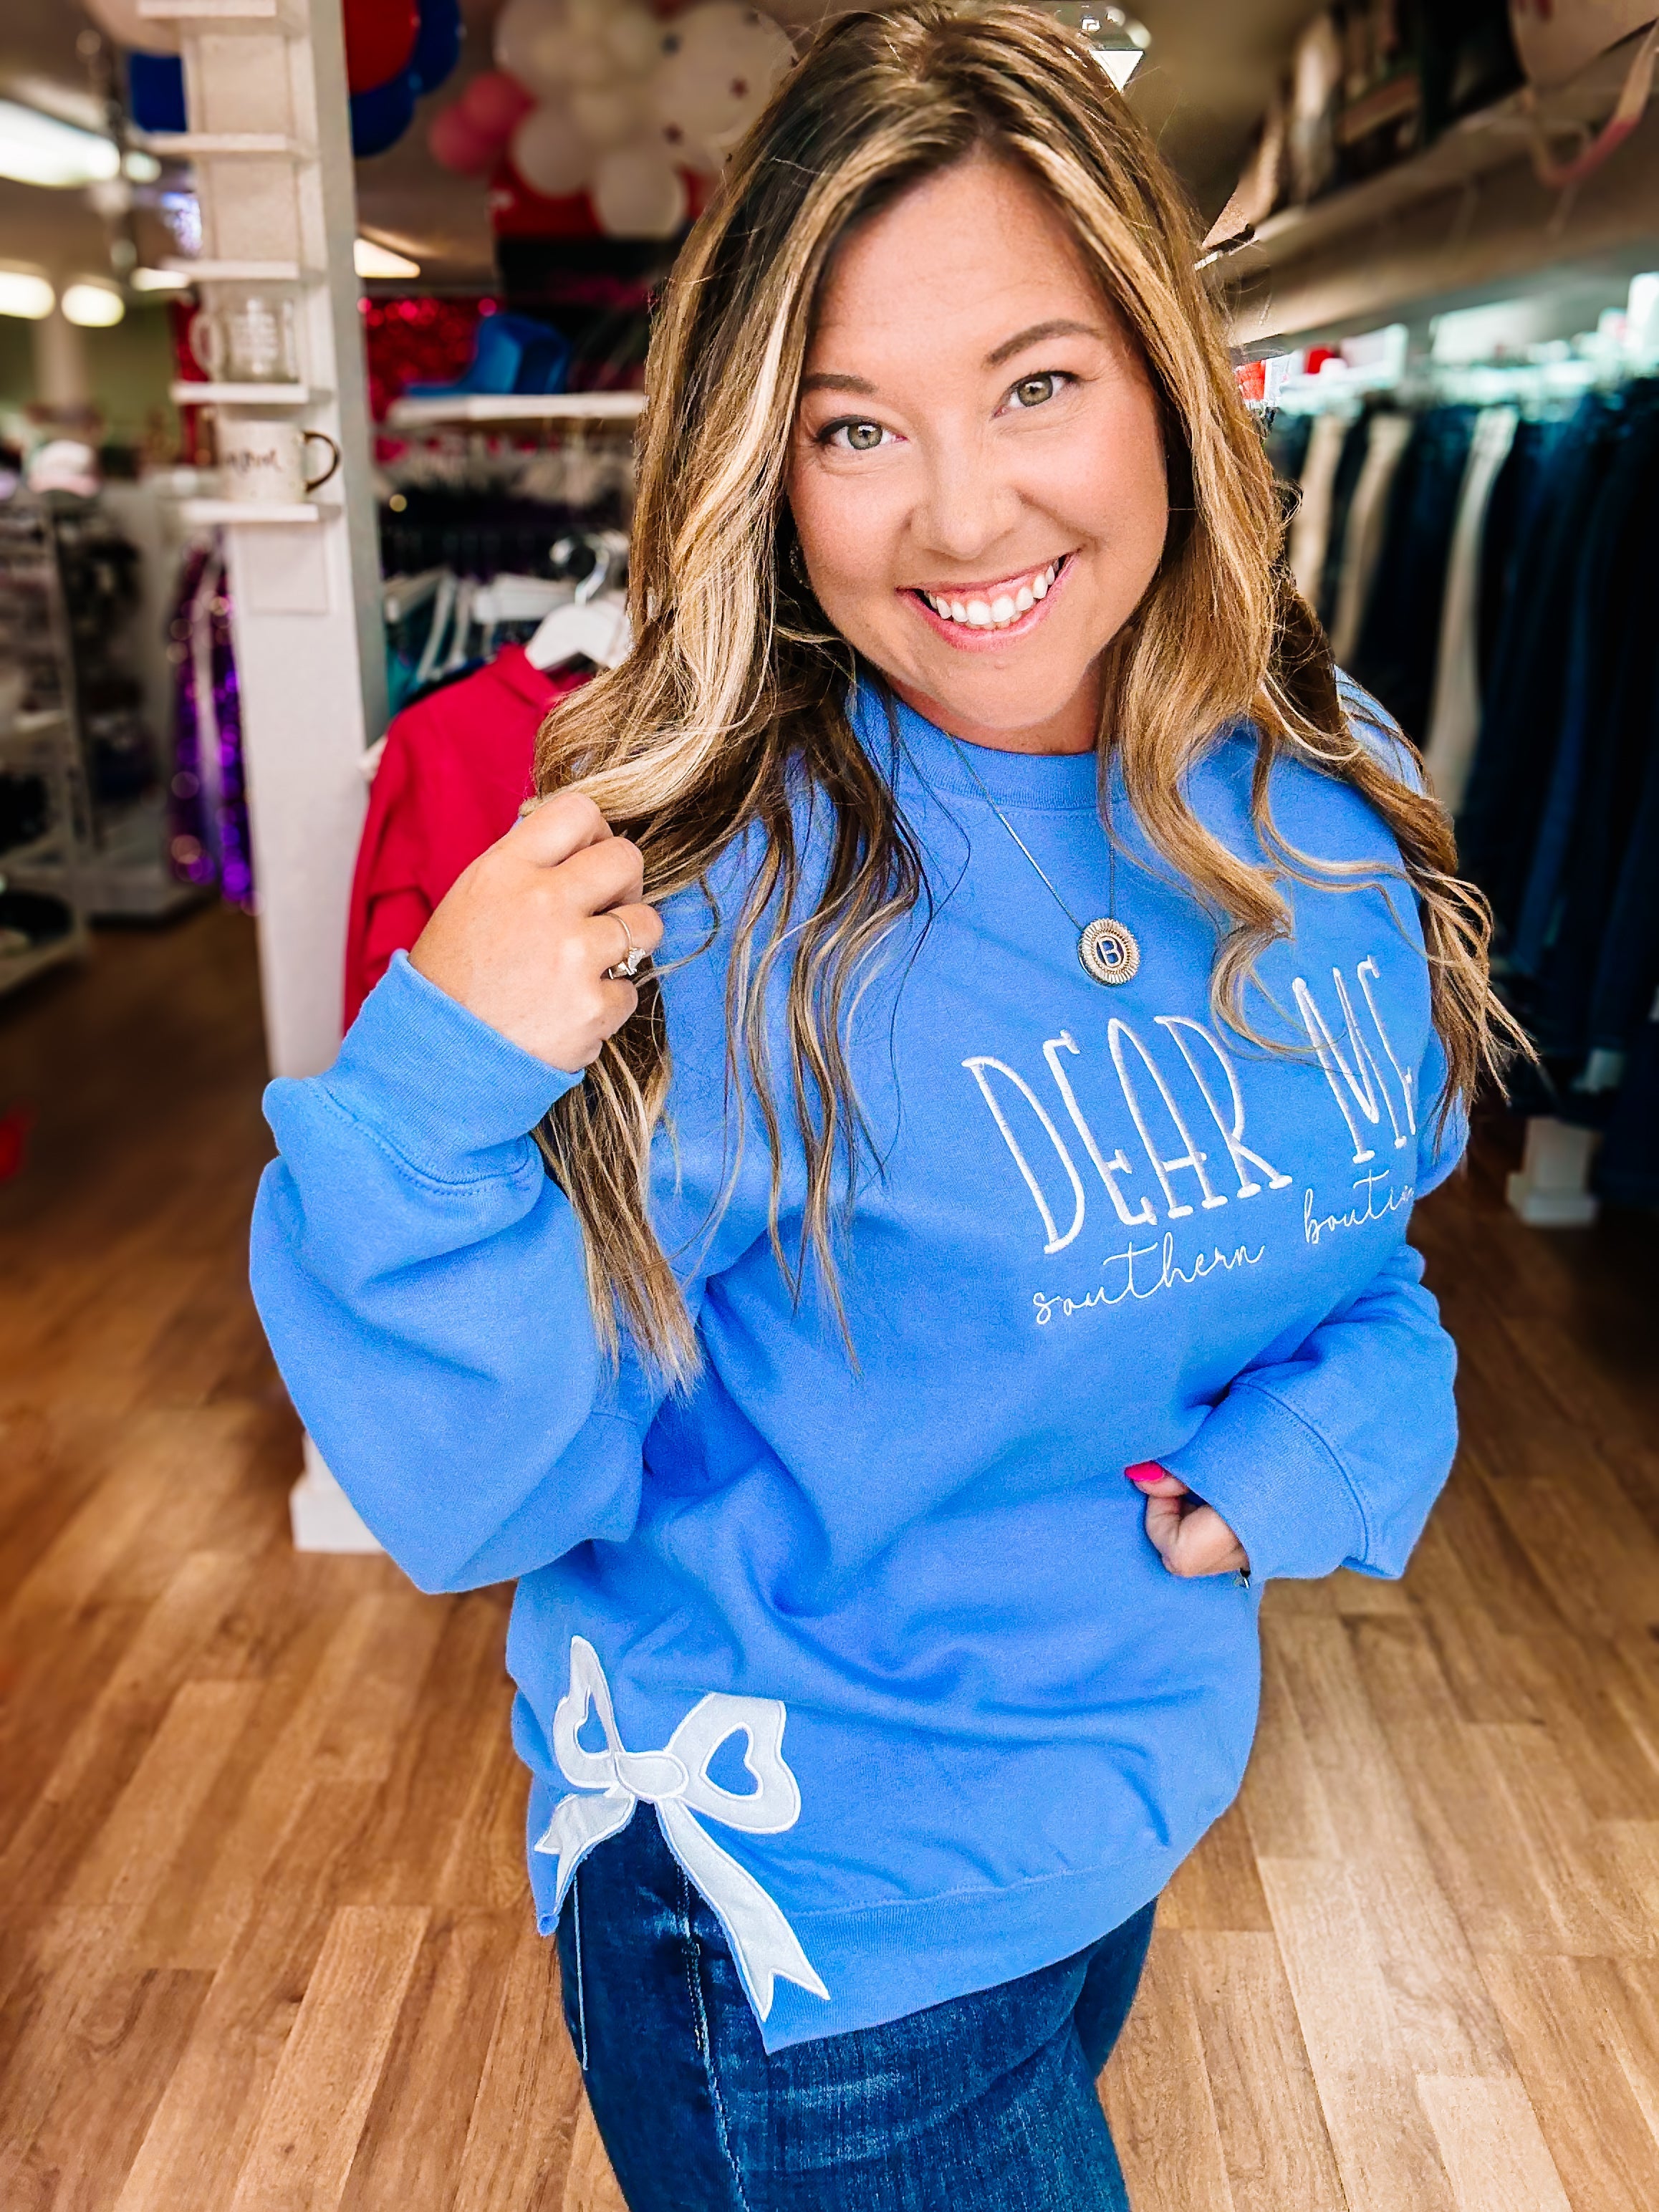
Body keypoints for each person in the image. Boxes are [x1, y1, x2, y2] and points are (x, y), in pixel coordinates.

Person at [251, 6, 1522, 2205]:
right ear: (761, 462)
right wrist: (434, 1086)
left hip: (1113, 1808)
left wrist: (1326, 1444)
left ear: (1164, 379)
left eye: (1035, 384)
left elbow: (1357, 1255)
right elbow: (479, 1494)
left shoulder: (1324, 796)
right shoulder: (704, 896)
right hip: (802, 1923)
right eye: (854, 425)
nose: (960, 512)